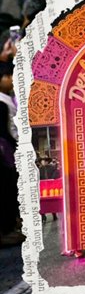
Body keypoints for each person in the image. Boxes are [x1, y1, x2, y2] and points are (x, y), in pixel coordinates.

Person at [0, 60, 22, 247]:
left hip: (9, 152)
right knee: (7, 190)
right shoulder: (1, 102)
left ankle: (10, 227)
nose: (13, 80)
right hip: (5, 155)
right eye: (10, 77)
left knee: (11, 190)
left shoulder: (7, 99)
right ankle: (6, 230)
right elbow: (5, 131)